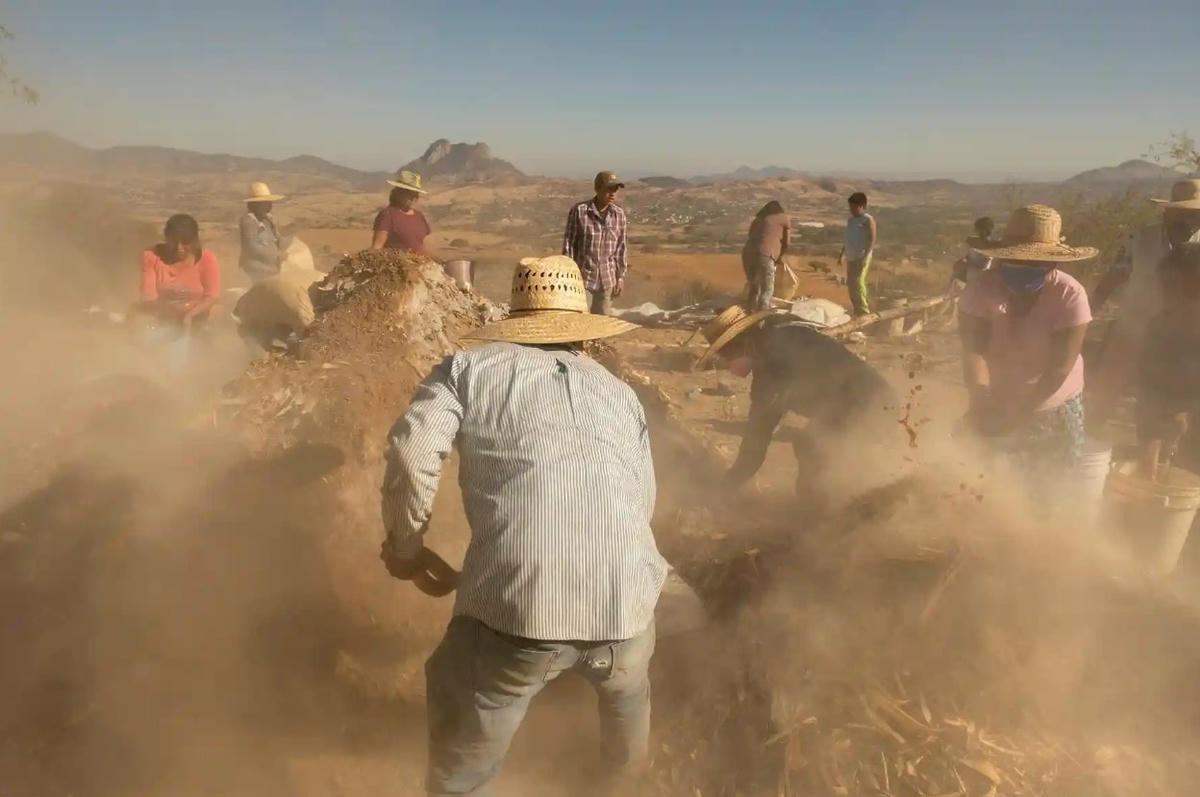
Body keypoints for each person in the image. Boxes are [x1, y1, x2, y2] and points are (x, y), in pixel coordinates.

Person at [380, 255, 665, 795]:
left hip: (522, 609)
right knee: (625, 733)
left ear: (516, 318)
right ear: (580, 328)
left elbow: (412, 452)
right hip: (630, 611)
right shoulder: (620, 393)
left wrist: (407, 549)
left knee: (456, 700)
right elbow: (643, 497)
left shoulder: (467, 370)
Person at [695, 304, 901, 498]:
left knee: (812, 446)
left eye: (727, 356)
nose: (726, 364)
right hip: (881, 401)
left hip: (867, 408)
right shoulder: (783, 337)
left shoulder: (771, 367)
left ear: (743, 345)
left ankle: (817, 516)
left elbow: (754, 448)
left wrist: (724, 488)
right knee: (819, 448)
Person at [958, 205, 1097, 475]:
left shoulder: (1069, 295)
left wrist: (1019, 413)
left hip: (1052, 401)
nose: (1023, 269)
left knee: (1050, 481)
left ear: (1051, 263)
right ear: (1001, 259)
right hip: (997, 394)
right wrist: (980, 397)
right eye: (1016, 261)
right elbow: (974, 351)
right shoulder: (981, 289)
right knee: (988, 476)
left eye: (1034, 264)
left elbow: (1059, 367)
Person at [1089, 179, 1200, 429]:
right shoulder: (1139, 239)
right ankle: (1089, 441)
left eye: (1196, 213)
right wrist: (1090, 308)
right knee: (1108, 388)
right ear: (1168, 210)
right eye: (1185, 211)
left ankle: (1165, 457)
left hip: (1187, 337)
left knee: (1172, 401)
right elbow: (1115, 275)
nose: (1191, 219)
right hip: (1134, 327)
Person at [1137, 242, 1200, 480]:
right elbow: (1150, 403)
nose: (1170, 300)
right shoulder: (1160, 331)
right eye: (1166, 289)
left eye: (1185, 292)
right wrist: (1149, 471)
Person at [135, 213, 220, 330]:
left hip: (199, 317)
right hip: (162, 317)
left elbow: (212, 296)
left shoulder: (207, 259)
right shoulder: (151, 257)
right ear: (166, 238)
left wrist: (190, 315)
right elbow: (149, 296)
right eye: (174, 241)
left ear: (194, 241)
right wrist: (169, 315)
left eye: (185, 242)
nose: (179, 247)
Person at [562, 171, 629, 316]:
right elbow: (569, 245)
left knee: (602, 322)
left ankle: (597, 340)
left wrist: (620, 277)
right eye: (609, 189)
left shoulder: (619, 215)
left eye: (615, 190)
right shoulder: (580, 212)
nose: (613, 194)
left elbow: (621, 249)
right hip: (582, 279)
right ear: (597, 189)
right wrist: (570, 274)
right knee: (580, 319)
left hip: (608, 279)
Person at [742, 201, 791, 311]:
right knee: (767, 289)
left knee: (754, 287)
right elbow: (787, 242)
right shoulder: (784, 219)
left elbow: (751, 236)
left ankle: (749, 314)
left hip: (747, 254)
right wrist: (779, 257)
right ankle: (761, 318)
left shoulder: (757, 220)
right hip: (765, 254)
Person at [372, 171, 431, 253]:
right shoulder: (388, 215)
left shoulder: (419, 216)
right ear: (399, 193)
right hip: (397, 264)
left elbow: (422, 245)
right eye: (410, 194)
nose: (414, 198)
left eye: (416, 194)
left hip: (420, 263)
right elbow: (377, 247)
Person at [838, 192, 877, 316]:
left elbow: (872, 239)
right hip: (851, 256)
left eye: (854, 207)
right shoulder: (851, 220)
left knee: (858, 282)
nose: (852, 210)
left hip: (862, 256)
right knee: (850, 283)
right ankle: (857, 308)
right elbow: (847, 239)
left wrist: (865, 256)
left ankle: (864, 310)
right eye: (850, 207)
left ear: (862, 206)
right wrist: (842, 255)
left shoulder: (868, 219)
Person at [238, 182, 284, 282]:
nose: (269, 205)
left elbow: (277, 240)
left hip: (272, 269)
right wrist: (276, 255)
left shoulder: (268, 220)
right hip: (256, 270)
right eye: (265, 203)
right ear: (255, 205)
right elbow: (253, 248)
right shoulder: (248, 221)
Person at [951, 217, 995, 286]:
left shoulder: (990, 245)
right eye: (977, 229)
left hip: (980, 279)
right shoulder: (973, 242)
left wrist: (968, 265)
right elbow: (968, 256)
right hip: (970, 276)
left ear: (986, 230)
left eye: (980, 229)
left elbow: (984, 266)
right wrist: (962, 261)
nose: (977, 231)